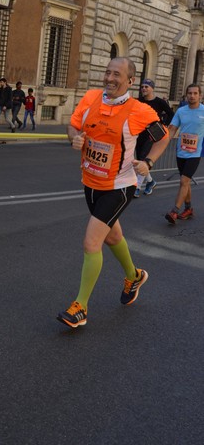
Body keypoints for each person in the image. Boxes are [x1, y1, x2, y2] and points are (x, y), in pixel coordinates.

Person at [57, 57, 169, 329]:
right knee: (113, 236)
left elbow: (163, 136)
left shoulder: (138, 110)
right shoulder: (91, 98)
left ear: (130, 81)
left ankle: (80, 307)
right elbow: (73, 126)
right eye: (107, 72)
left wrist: (149, 162)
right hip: (91, 182)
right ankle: (134, 276)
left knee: (91, 242)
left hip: (119, 187)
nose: (109, 78)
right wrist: (74, 137)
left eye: (117, 74)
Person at [164, 83, 204, 224]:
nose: (192, 96)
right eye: (190, 93)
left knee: (184, 181)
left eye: (195, 93)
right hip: (181, 152)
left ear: (200, 95)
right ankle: (188, 208)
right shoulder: (181, 111)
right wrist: (163, 143)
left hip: (195, 153)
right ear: (186, 95)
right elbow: (173, 129)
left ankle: (174, 211)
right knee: (185, 182)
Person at [134, 78, 174, 197]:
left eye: (146, 87)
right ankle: (150, 182)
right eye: (142, 87)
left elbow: (170, 114)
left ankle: (137, 187)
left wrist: (164, 125)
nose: (144, 89)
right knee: (140, 159)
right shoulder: (139, 101)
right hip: (140, 133)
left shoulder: (160, 102)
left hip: (153, 134)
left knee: (143, 159)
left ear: (152, 88)